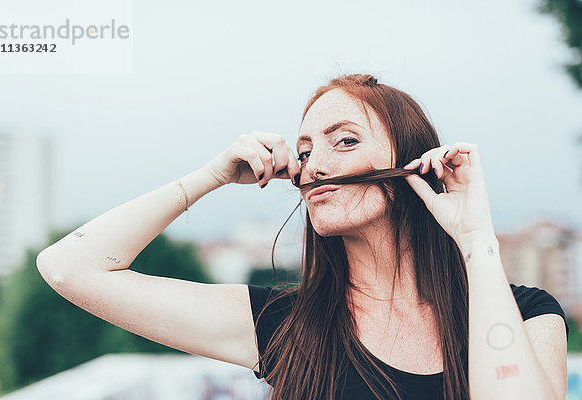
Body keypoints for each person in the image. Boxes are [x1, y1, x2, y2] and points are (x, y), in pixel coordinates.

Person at [36, 74, 569, 400]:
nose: (314, 165)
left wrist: (474, 234)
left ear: (411, 166)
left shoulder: (527, 315)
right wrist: (211, 175)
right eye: (307, 150)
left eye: (345, 141)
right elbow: (67, 268)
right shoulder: (287, 326)